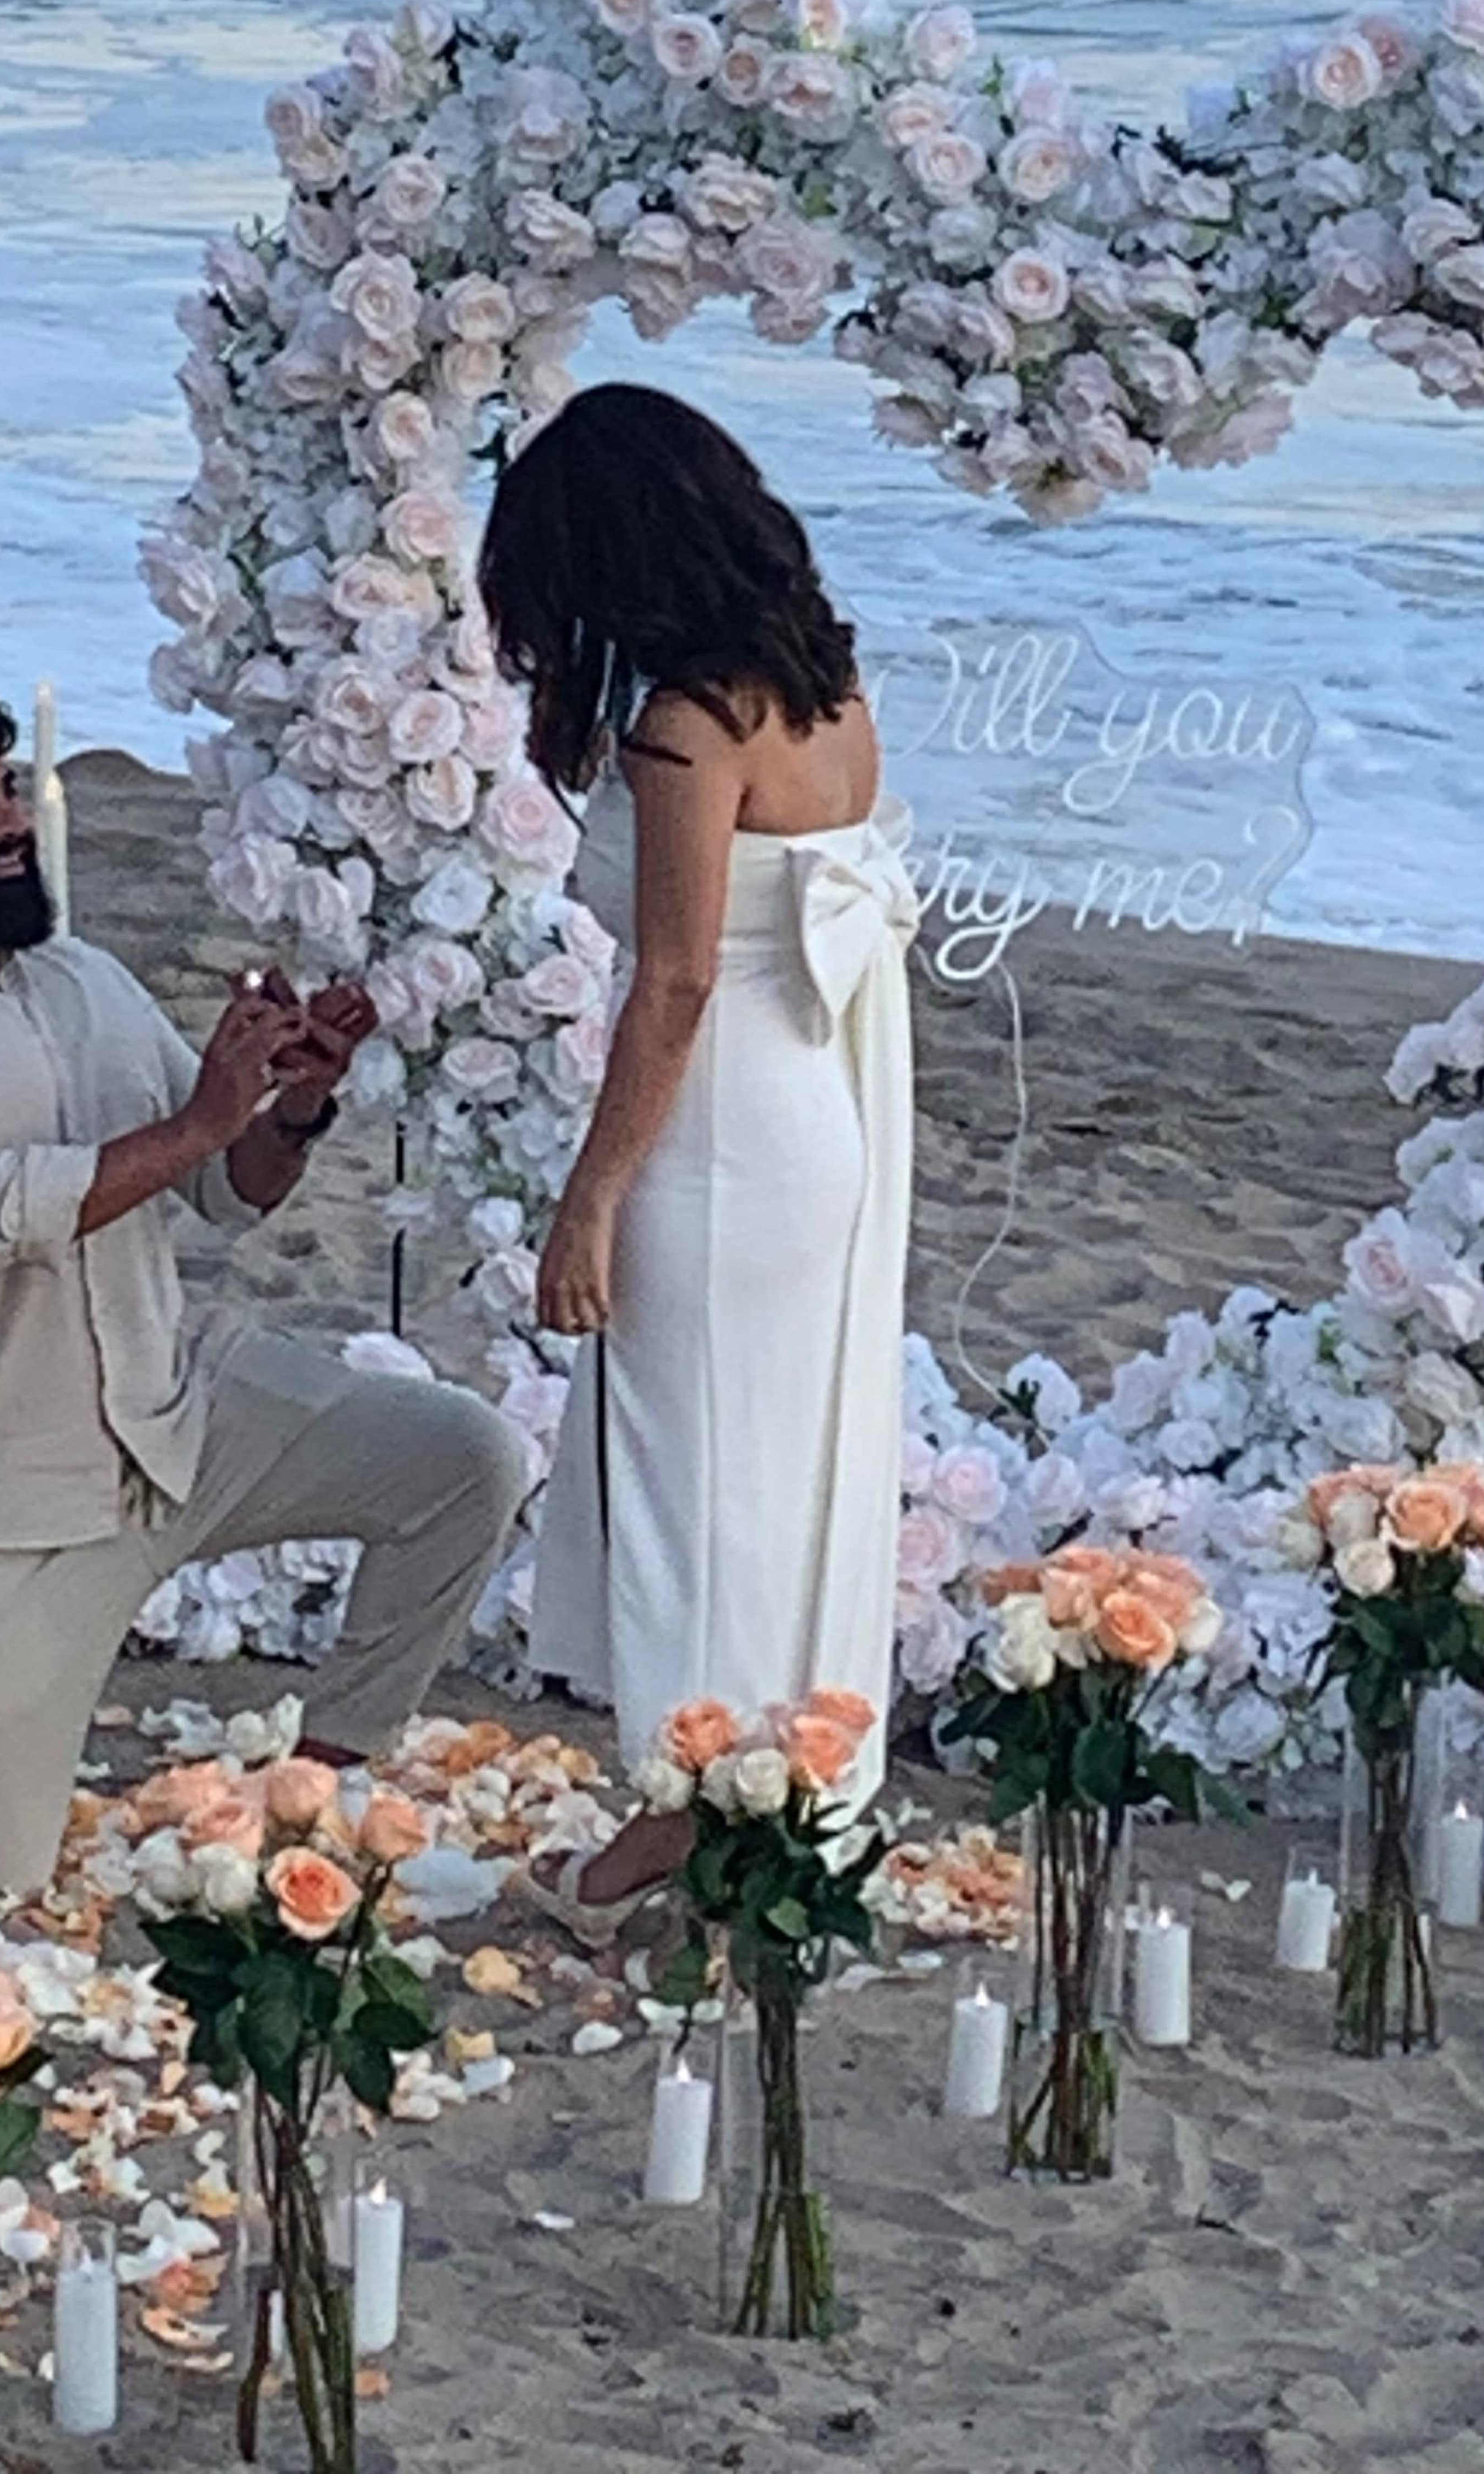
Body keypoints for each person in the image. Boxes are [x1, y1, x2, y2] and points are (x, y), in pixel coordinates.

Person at [0, 672, 532, 1907]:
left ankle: (319, 1789)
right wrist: (205, 1117)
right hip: (1, 1505)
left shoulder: (82, 977)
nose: (7, 824)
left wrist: (292, 1102)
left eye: (5, 790)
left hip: (178, 1418)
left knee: (465, 1457)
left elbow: (228, 1194)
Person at [479, 383, 919, 1940]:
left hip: (718, 1137)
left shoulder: (688, 727)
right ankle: (773, 1794)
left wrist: (591, 1195)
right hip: (816, 1117)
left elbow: (671, 980)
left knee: (692, 1486)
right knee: (782, 1480)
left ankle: (687, 1811)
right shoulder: (824, 690)